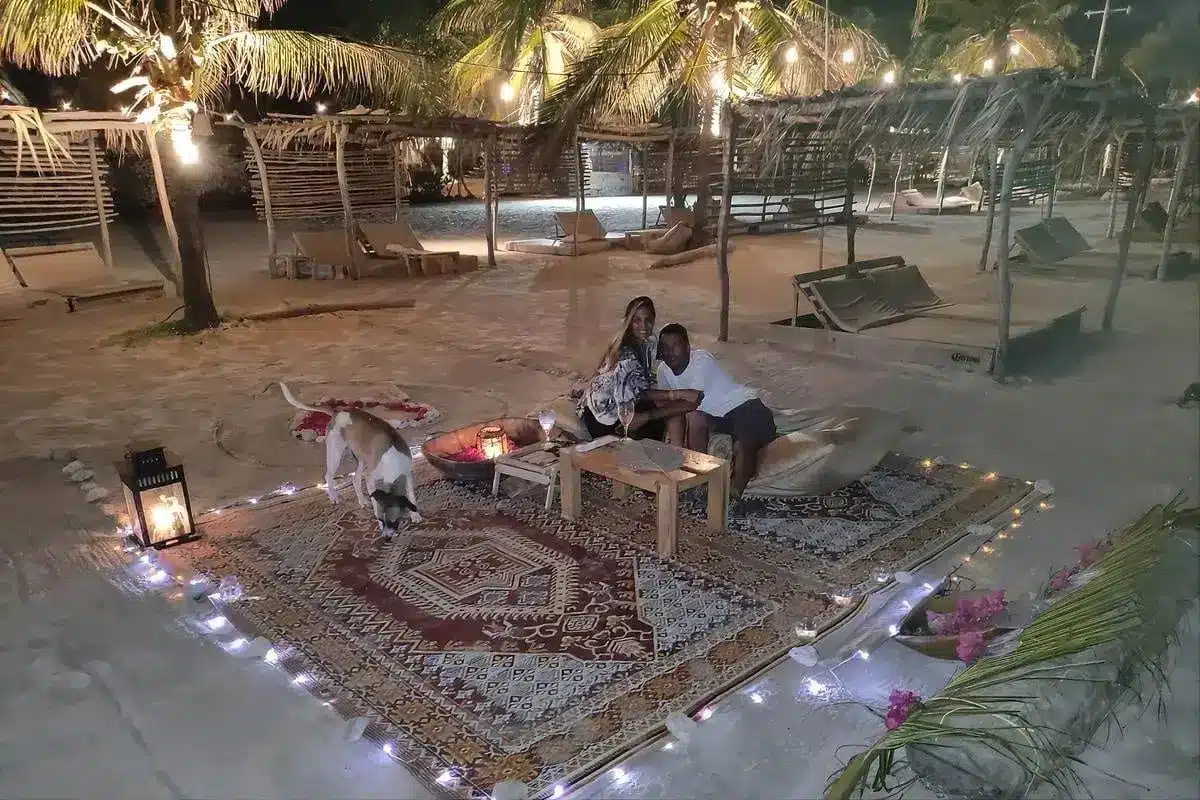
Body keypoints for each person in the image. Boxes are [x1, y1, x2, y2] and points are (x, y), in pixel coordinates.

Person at [656, 323, 776, 498]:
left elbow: (692, 401)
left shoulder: (701, 360)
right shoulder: (663, 370)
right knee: (695, 418)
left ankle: (733, 495)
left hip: (743, 406)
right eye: (665, 347)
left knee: (743, 445)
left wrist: (647, 416)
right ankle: (701, 475)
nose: (669, 352)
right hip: (717, 417)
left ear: (688, 347)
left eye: (675, 346)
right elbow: (665, 404)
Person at [578, 297, 700, 441]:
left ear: (653, 320)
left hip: (624, 401)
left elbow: (647, 378)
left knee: (678, 407)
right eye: (637, 320)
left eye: (648, 320)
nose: (643, 326)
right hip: (604, 417)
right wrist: (680, 393)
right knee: (672, 410)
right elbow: (641, 393)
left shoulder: (646, 343)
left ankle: (677, 452)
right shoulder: (626, 351)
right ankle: (671, 453)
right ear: (629, 322)